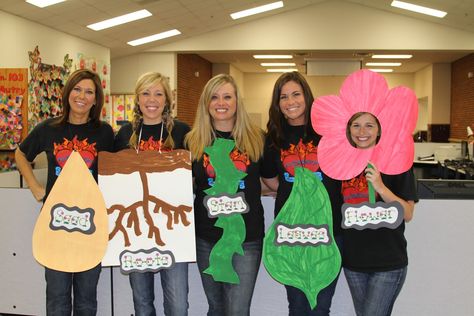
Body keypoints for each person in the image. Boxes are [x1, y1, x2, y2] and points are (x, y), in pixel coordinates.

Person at [15, 68, 114, 315]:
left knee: (86, 300)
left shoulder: (104, 132)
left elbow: (115, 170)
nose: (82, 96)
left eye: (89, 91)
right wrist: (36, 188)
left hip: (91, 224)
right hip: (55, 224)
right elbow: (20, 154)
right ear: (68, 92)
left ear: (96, 98)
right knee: (57, 298)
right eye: (77, 89)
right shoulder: (48, 129)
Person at [260, 71, 343, 315]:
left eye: (296, 94)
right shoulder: (273, 138)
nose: (290, 101)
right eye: (283, 97)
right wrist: (296, 193)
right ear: (277, 104)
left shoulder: (329, 133)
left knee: (320, 307)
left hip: (328, 230)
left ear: (307, 96)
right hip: (290, 232)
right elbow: (269, 178)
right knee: (296, 306)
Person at [185, 73, 265, 315]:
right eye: (215, 97)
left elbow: (272, 181)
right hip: (207, 238)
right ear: (206, 104)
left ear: (237, 101)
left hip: (246, 239)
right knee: (216, 307)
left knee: (238, 309)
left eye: (227, 97)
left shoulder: (257, 139)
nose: (221, 103)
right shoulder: (192, 142)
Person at [114, 72, 191, 316]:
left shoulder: (182, 132)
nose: (152, 99)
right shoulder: (124, 135)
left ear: (167, 100)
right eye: (146, 93)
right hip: (137, 228)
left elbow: (194, 176)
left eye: (159, 93)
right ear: (137, 99)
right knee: (142, 303)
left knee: (178, 305)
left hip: (173, 228)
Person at [342, 111, 416, 316]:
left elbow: (408, 213)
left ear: (379, 129)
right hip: (353, 263)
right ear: (348, 130)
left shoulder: (399, 163)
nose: (362, 131)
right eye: (356, 125)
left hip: (388, 262)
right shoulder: (341, 165)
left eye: (369, 125)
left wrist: (380, 187)